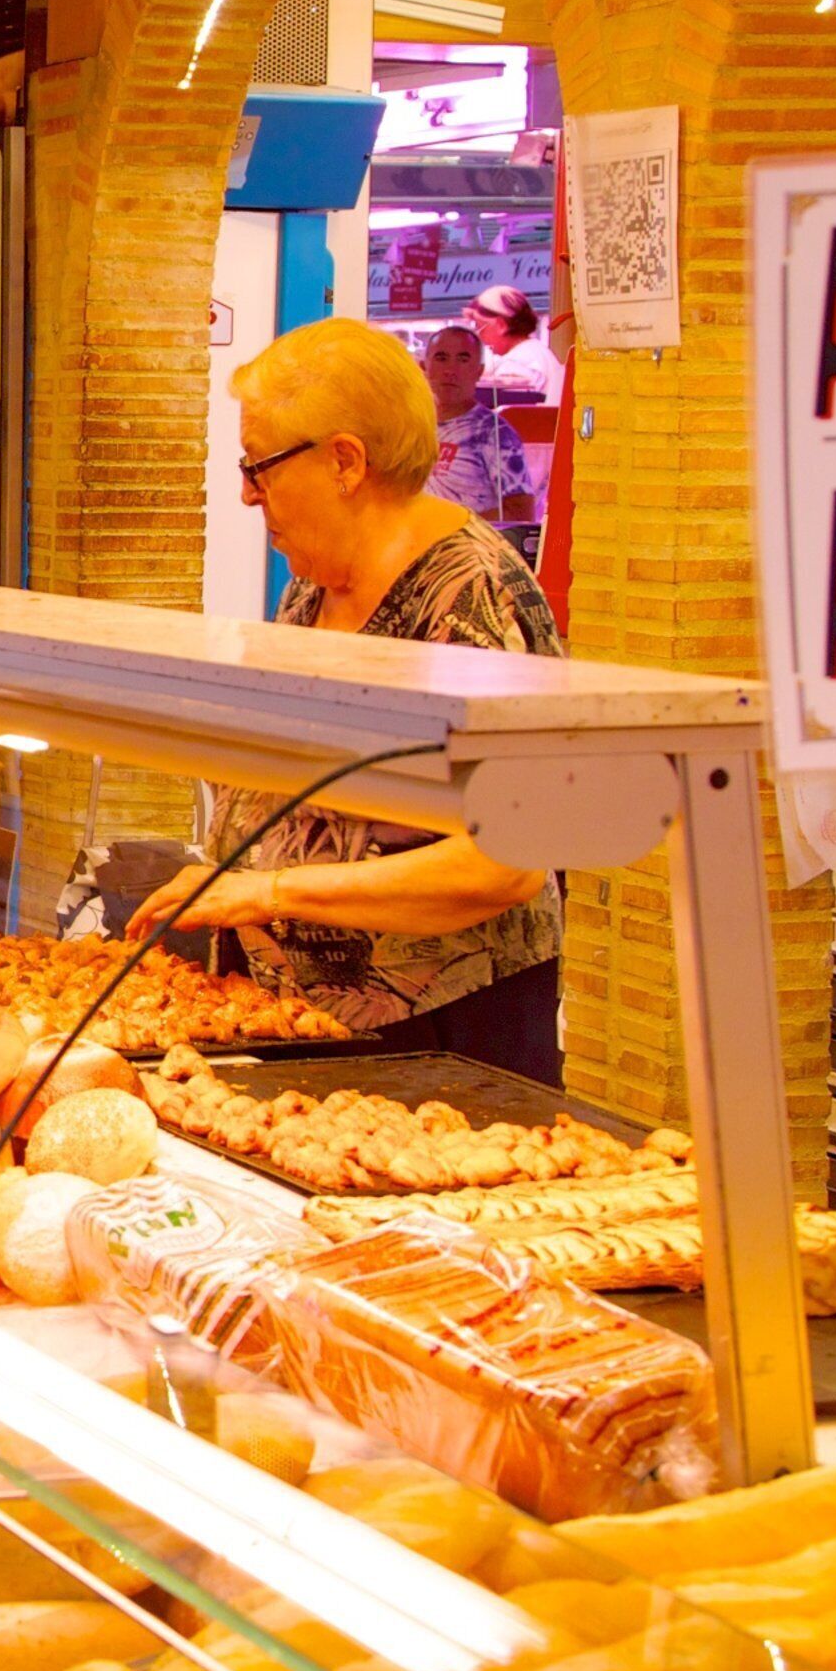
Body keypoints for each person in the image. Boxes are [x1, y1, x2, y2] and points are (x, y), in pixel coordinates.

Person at [134, 319, 567, 1081]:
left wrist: (265, 891)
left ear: (344, 461)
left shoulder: (475, 597)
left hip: (443, 1035)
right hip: (294, 1021)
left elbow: (507, 864)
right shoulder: (314, 579)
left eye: (258, 465)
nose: (245, 492)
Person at [417, 323, 536, 526]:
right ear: (423, 367)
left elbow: (520, 511)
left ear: (479, 371)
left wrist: (452, 527)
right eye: (441, 358)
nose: (450, 370)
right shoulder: (411, 427)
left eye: (463, 359)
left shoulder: (493, 433)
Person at [467, 285, 564, 400]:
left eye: (479, 326)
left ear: (501, 325)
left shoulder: (516, 364)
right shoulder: (539, 351)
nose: (478, 335)